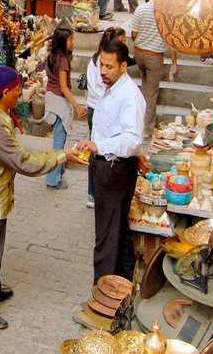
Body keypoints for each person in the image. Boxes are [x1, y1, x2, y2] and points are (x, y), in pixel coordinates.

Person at [0, 66, 81, 329]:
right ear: (4, 92)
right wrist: (62, 155)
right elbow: (25, 163)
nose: (20, 96)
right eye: (17, 92)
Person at [77, 40, 146, 283]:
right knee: (116, 232)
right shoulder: (112, 88)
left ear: (123, 66)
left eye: (108, 66)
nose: (102, 72)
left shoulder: (129, 96)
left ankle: (103, 293)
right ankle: (120, 288)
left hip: (115, 169)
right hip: (105, 167)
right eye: (100, 66)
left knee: (107, 238)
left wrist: (100, 146)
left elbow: (132, 140)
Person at [82, 26, 129, 208]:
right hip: (96, 108)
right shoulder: (96, 64)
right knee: (97, 152)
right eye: (121, 41)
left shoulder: (126, 89)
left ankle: (99, 192)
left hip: (102, 108)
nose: (104, 70)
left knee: (101, 150)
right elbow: (95, 87)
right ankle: (93, 193)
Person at [131, 0, 177, 137]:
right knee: (151, 94)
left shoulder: (140, 9)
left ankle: (138, 121)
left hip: (139, 53)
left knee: (145, 88)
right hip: (154, 57)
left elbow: (134, 34)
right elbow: (171, 40)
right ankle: (147, 129)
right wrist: (174, 62)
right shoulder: (166, 12)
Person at [44, 27, 88, 190]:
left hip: (51, 98)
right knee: (59, 143)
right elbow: (63, 86)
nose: (73, 42)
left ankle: (58, 173)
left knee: (58, 140)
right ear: (64, 42)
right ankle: (53, 179)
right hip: (59, 102)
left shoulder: (52, 56)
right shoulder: (62, 60)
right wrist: (76, 106)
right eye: (71, 39)